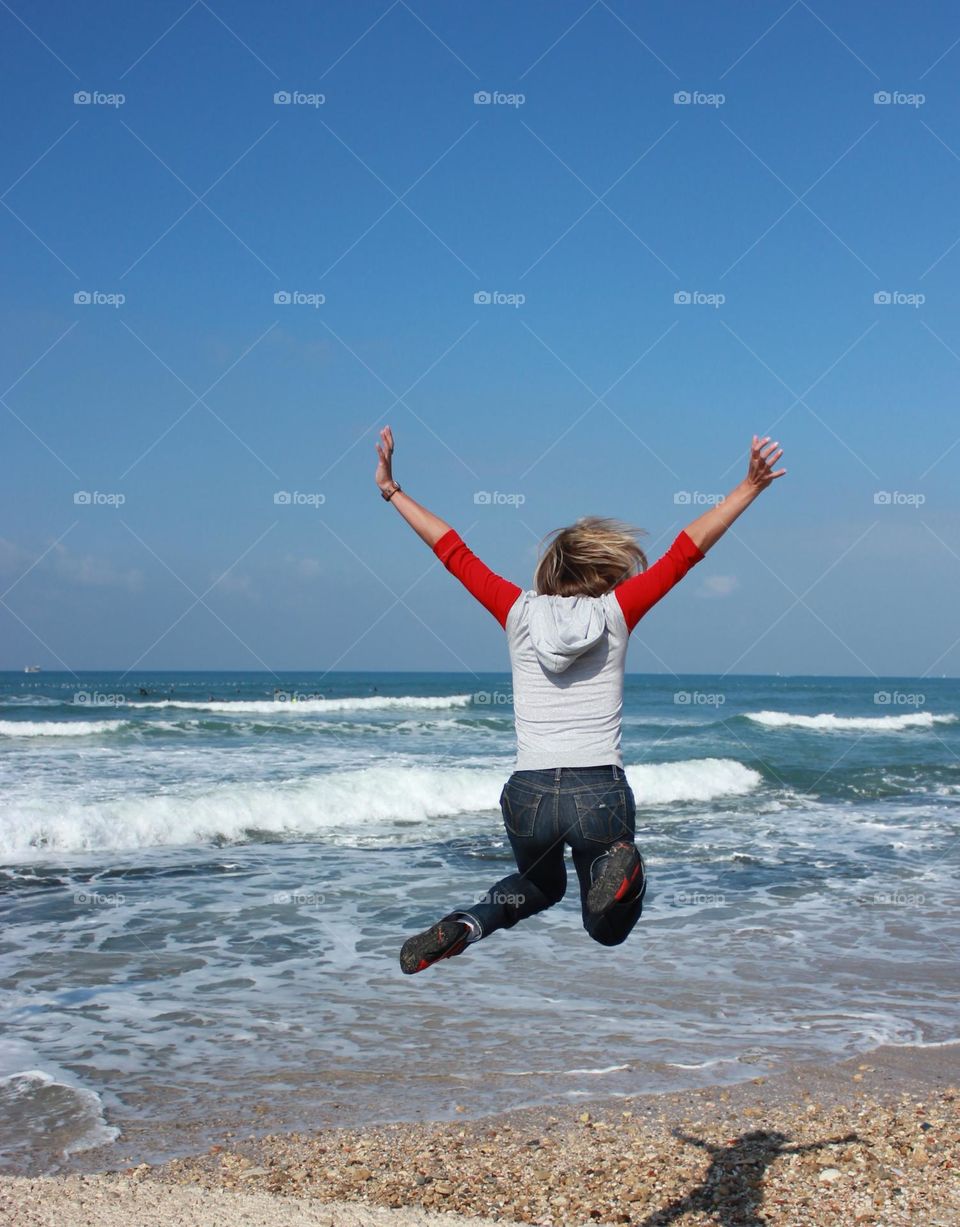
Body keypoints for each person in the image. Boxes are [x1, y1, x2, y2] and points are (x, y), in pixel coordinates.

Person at [374, 426, 786, 975]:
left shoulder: (516, 611)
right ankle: (619, 863)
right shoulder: (617, 611)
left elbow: (451, 549)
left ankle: (468, 925)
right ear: (605, 571)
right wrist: (748, 487)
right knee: (605, 929)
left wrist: (392, 490)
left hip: (529, 795)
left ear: (552, 569)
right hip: (599, 794)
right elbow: (686, 550)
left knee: (537, 887)